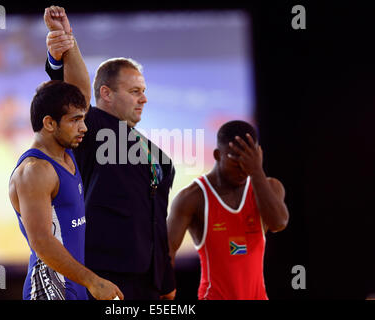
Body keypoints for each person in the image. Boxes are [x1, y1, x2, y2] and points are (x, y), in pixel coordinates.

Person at [42, 6, 176, 300]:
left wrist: (165, 279)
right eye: (135, 91)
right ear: (105, 93)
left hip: (151, 283)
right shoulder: (90, 128)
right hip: (105, 279)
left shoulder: (157, 156)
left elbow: (156, 222)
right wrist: (62, 46)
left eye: (143, 90)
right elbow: (68, 94)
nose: (144, 98)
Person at [9, 80, 123, 300]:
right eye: (75, 120)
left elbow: (82, 92)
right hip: (49, 290)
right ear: (50, 123)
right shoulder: (35, 171)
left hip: (75, 285)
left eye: (82, 118)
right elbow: (41, 240)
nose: (84, 127)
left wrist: (70, 46)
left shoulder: (65, 154)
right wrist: (94, 281)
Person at [167, 120, 289, 300]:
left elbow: (278, 223)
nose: (243, 170)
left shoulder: (269, 188)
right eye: (236, 162)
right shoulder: (193, 197)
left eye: (248, 163)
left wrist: (256, 171)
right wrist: (165, 290)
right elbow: (166, 251)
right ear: (217, 155)